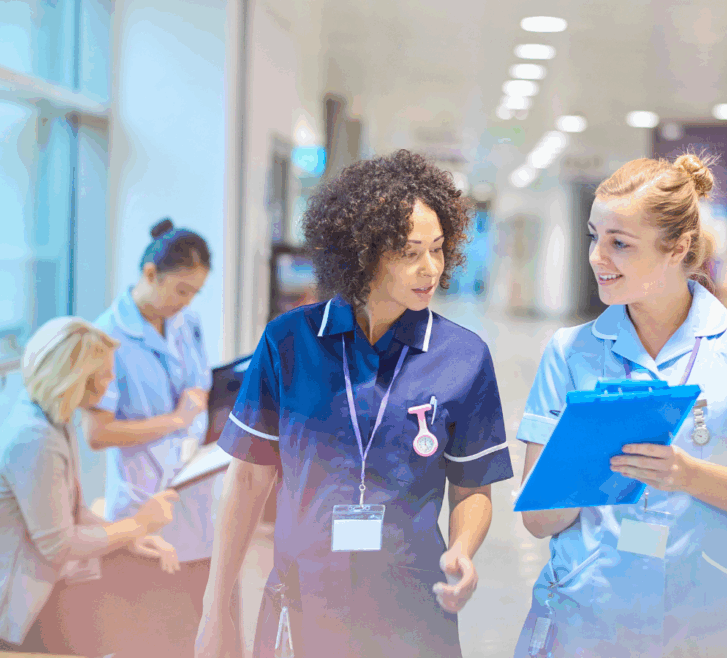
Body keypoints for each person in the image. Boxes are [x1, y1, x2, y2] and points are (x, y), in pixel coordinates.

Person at [196, 150, 514, 658]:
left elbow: (472, 485)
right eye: (410, 252)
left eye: (437, 249)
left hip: (413, 610)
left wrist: (462, 549)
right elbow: (248, 480)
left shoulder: (463, 356)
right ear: (363, 252)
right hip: (302, 604)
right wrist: (215, 609)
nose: (430, 269)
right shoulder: (288, 342)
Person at [514, 154, 727, 658]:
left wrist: (687, 474)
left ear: (677, 247)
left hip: (704, 619)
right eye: (593, 237)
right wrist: (583, 460)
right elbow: (538, 520)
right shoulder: (569, 352)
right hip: (587, 615)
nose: (597, 257)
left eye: (620, 244)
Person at [0, 317, 180, 655]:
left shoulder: (52, 420)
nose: (112, 380)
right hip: (4, 622)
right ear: (78, 379)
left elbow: (74, 513)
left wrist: (131, 536)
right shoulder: (34, 438)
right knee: (147, 607)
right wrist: (137, 525)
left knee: (147, 587)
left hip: (37, 590)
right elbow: (59, 546)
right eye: (105, 374)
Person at [86, 218, 226, 654]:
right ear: (150, 274)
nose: (187, 302)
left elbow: (198, 388)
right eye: (181, 290)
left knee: (193, 633)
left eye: (195, 293)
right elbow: (97, 432)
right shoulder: (107, 336)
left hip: (195, 497)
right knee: (146, 638)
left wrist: (198, 406)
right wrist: (174, 421)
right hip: (141, 504)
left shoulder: (187, 321)